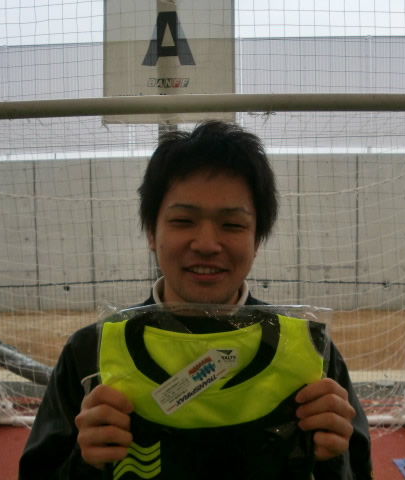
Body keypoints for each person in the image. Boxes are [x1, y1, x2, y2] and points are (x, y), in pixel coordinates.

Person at [18, 121, 373, 479]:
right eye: (183, 220)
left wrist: (332, 459)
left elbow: (357, 470)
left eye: (232, 225)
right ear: (151, 232)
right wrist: (86, 464)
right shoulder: (89, 354)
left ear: (257, 239)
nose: (206, 244)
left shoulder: (310, 356)